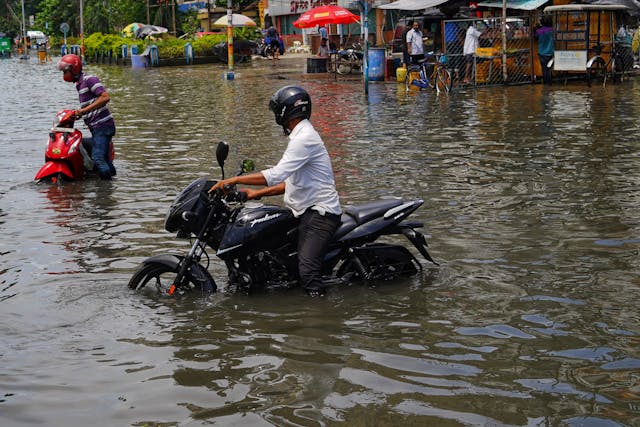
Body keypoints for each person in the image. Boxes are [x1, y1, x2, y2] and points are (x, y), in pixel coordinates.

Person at [209, 86, 341, 297]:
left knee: (307, 272)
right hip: (304, 211)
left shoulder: (304, 138)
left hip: (320, 215)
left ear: (286, 111)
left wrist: (233, 180)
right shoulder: (300, 136)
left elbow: (276, 174)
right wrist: (254, 193)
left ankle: (319, 318)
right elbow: (290, 182)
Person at [57, 54, 116, 180]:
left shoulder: (89, 79)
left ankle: (106, 191)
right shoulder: (80, 84)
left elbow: (105, 97)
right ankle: (113, 179)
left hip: (103, 126)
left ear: (74, 69)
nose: (64, 75)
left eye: (65, 72)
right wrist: (76, 115)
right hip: (96, 127)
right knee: (100, 156)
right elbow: (91, 105)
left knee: (98, 158)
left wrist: (83, 111)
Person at [535, 16, 554, 85]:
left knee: (544, 68)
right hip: (551, 52)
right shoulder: (553, 30)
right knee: (550, 68)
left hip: (542, 52)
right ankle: (550, 81)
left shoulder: (539, 31)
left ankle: (546, 83)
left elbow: (536, 38)